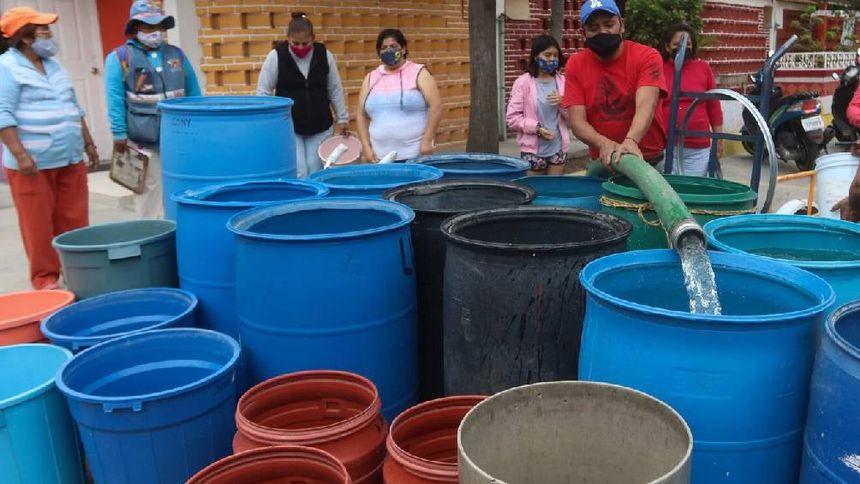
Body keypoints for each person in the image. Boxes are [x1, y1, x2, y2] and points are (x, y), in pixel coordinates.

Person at [0, 7, 99, 290]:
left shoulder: (54, 66)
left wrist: (88, 142)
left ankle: (77, 271)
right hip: (32, 163)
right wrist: (20, 155)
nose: (50, 35)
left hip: (69, 157)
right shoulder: (7, 67)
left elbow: (73, 107)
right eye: (43, 30)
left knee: (75, 219)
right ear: (25, 37)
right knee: (37, 224)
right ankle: (46, 279)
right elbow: (2, 112)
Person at [104, 0, 201, 219]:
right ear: (136, 28)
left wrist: (200, 125)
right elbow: (114, 99)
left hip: (180, 136)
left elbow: (194, 93)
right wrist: (119, 134)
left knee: (180, 187)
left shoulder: (177, 55)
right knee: (149, 191)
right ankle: (152, 233)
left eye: (159, 26)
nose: (155, 31)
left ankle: (178, 230)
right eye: (148, 27)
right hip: (142, 137)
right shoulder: (119, 58)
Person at [563, 0, 668, 177]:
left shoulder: (647, 56)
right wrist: (603, 143)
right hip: (603, 161)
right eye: (594, 28)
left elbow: (646, 105)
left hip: (647, 161)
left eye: (609, 25)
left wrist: (631, 140)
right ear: (583, 33)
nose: (603, 32)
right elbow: (577, 122)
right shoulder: (576, 64)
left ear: (622, 25)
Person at [257, 13, 348, 178]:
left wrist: (342, 118)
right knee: (299, 170)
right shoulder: (276, 56)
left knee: (316, 169)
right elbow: (264, 91)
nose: (300, 48)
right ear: (288, 39)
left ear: (313, 38)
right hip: (289, 124)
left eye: (305, 43)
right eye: (295, 43)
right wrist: (267, 122)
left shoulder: (324, 55)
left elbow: (334, 88)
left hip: (320, 124)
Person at [357, 29, 443, 162]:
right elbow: (360, 114)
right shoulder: (371, 78)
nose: (388, 50)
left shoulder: (419, 72)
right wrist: (365, 146)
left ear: (403, 49)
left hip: (414, 155)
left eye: (393, 46)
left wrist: (428, 140)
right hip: (379, 158)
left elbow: (436, 106)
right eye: (384, 48)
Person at [661, 23, 723, 176]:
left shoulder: (703, 68)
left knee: (693, 187)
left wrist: (719, 140)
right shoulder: (659, 68)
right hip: (665, 145)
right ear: (667, 47)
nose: (683, 48)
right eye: (677, 44)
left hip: (698, 148)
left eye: (687, 44)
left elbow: (714, 106)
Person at [506, 34, 570, 175]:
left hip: (558, 148)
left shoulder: (563, 82)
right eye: (547, 55)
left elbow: (572, 118)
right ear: (536, 56)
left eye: (555, 55)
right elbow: (512, 118)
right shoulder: (523, 83)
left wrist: (563, 102)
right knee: (534, 188)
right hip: (532, 151)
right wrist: (537, 129)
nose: (552, 59)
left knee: (555, 187)